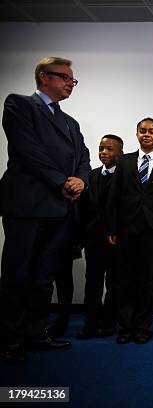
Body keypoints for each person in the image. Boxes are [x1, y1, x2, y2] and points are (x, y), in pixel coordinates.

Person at [0, 56, 90, 364]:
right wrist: (62, 181)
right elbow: (28, 151)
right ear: (43, 76)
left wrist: (81, 179)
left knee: (43, 277)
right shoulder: (19, 105)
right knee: (17, 274)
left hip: (61, 210)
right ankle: (10, 339)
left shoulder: (70, 121)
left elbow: (84, 156)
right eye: (64, 77)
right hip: (28, 206)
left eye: (72, 79)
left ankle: (36, 334)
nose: (69, 83)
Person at [106, 118, 153, 345]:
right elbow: (113, 197)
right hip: (126, 229)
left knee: (149, 279)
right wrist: (112, 227)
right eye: (143, 131)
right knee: (124, 279)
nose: (147, 135)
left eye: (152, 132)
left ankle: (143, 326)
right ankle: (125, 326)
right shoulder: (124, 162)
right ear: (136, 134)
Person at [76, 134, 124, 340]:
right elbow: (83, 208)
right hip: (93, 239)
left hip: (115, 239)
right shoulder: (91, 175)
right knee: (92, 282)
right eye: (101, 148)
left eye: (109, 149)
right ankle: (90, 323)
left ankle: (110, 322)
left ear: (120, 153)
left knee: (114, 282)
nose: (103, 152)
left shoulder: (125, 176)